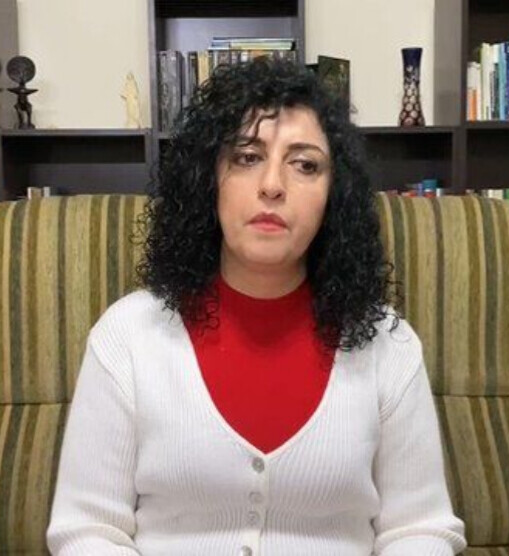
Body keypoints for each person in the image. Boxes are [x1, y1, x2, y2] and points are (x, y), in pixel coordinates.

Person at [47, 58, 466, 555]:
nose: (272, 185)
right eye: (247, 157)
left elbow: (419, 529)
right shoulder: (127, 337)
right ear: (209, 179)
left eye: (305, 165)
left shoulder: (387, 345)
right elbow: (88, 530)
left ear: (334, 195)